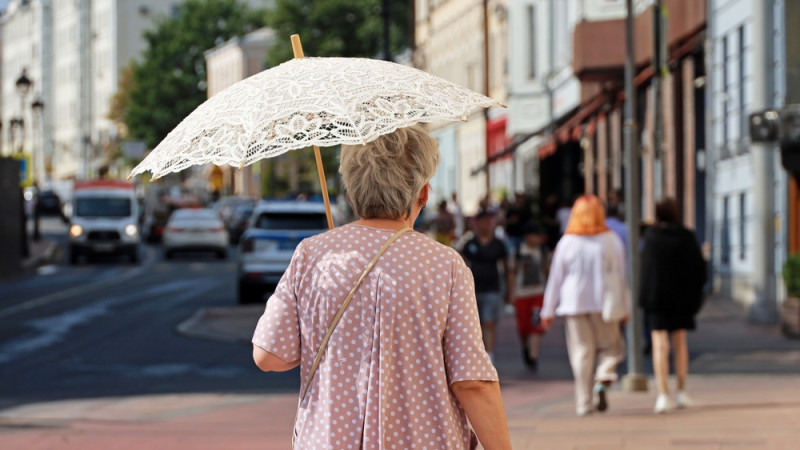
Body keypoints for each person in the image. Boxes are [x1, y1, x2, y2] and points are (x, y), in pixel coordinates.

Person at [251, 125, 511, 449]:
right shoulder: (445, 265)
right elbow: (471, 382)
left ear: (351, 190)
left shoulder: (312, 254)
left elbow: (269, 355)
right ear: (424, 193)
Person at [540, 194, 628, 416]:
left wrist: (547, 310)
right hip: (605, 304)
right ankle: (604, 376)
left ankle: (583, 403)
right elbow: (621, 276)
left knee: (581, 353)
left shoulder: (566, 242)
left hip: (574, 305)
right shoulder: (612, 240)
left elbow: (556, 279)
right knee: (611, 348)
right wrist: (625, 305)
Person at [640, 197, 707, 414]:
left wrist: (644, 298)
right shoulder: (686, 236)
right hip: (681, 299)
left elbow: (646, 271)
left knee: (660, 344)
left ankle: (662, 395)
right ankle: (681, 391)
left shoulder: (651, 237)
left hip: (657, 299)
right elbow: (699, 270)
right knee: (680, 343)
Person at [461, 209, 512, 363]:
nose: (486, 224)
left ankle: (490, 353)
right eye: (483, 221)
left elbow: (507, 267)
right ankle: (479, 351)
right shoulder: (470, 243)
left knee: (489, 321)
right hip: (473, 288)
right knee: (476, 323)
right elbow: (461, 264)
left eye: (489, 221)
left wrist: (510, 290)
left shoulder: (498, 244)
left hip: (492, 287)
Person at [511, 222, 551, 371]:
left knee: (535, 325)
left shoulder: (543, 251)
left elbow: (547, 271)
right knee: (523, 328)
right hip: (521, 294)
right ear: (527, 236)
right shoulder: (518, 251)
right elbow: (512, 272)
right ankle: (526, 349)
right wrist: (511, 293)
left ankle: (533, 357)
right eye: (535, 235)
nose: (538, 239)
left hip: (538, 293)